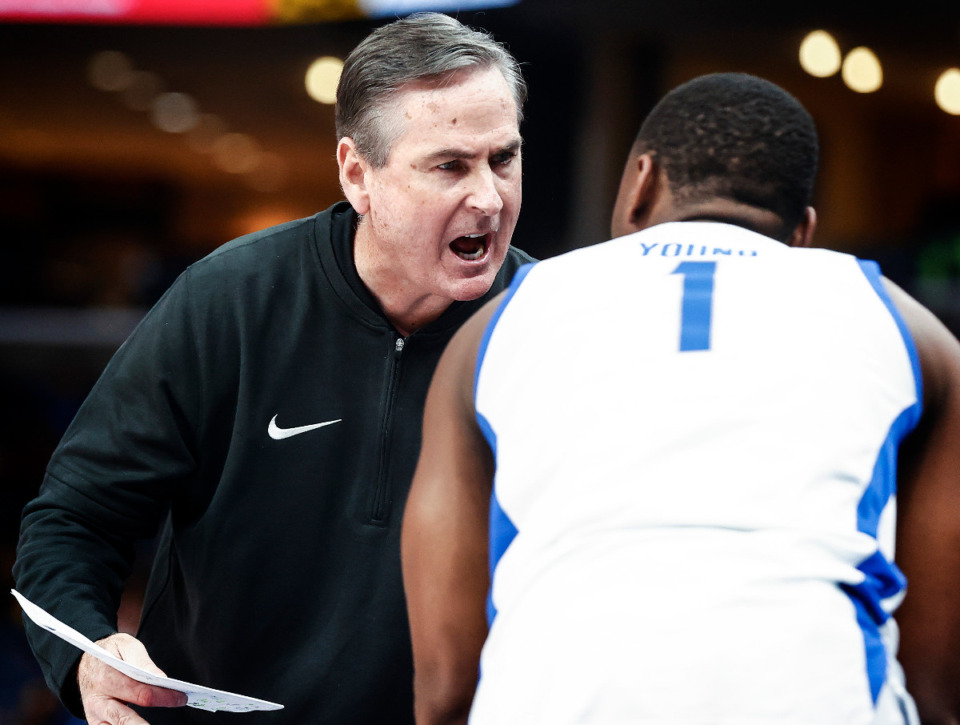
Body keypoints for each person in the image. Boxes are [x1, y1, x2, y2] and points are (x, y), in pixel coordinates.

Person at [13, 11, 533, 725]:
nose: (489, 197)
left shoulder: (551, 327)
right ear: (358, 174)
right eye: (450, 165)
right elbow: (71, 519)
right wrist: (85, 658)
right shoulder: (227, 300)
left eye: (503, 159)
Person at [401, 72, 960, 724]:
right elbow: (936, 681)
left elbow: (445, 685)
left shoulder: (495, 326)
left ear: (640, 181)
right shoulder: (911, 330)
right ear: (803, 233)